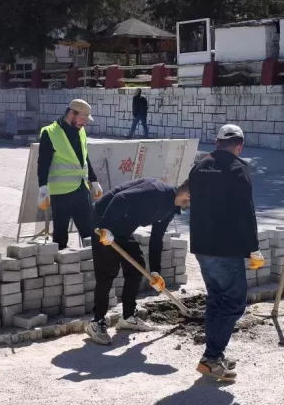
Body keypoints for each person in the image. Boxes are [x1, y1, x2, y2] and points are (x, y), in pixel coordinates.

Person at [187, 123, 263, 381]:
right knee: (232, 303)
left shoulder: (199, 166)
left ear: (216, 142)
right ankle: (211, 356)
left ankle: (215, 356)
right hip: (226, 248)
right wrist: (253, 248)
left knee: (216, 300)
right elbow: (246, 212)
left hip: (202, 246)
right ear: (239, 146)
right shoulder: (238, 168)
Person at [86, 179, 190, 344]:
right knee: (107, 272)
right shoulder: (156, 192)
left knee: (137, 268)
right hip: (104, 220)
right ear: (188, 195)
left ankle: (128, 317)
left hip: (123, 229)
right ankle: (96, 322)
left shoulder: (170, 209)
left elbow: (156, 238)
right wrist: (105, 228)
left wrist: (156, 272)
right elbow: (120, 198)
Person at [37, 99, 103, 250]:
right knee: (60, 234)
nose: (84, 122)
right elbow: (43, 163)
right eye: (82, 118)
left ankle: (91, 261)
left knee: (89, 230)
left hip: (81, 188)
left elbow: (84, 157)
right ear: (71, 113)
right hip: (61, 192)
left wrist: (93, 180)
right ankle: (61, 268)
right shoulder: (50, 132)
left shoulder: (81, 131)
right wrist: (43, 187)